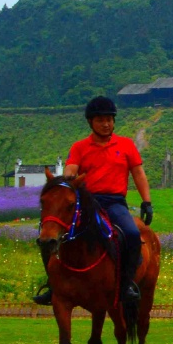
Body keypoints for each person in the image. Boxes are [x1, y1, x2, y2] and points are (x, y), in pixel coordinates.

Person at [41, 95, 151, 312]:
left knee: (130, 233)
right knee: (49, 234)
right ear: (91, 122)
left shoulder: (126, 145)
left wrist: (146, 201)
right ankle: (53, 284)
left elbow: (138, 172)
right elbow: (72, 167)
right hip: (87, 202)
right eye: (100, 119)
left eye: (109, 119)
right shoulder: (80, 147)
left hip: (114, 203)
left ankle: (126, 284)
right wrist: (68, 178)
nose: (106, 123)